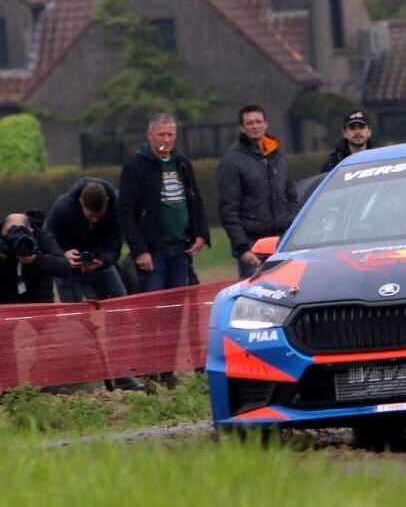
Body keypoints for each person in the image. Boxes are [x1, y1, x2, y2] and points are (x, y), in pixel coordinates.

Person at [117, 112, 210, 388]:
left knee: (174, 314)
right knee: (151, 313)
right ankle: (149, 371)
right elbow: (126, 212)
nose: (166, 140)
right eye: (161, 134)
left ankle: (168, 371)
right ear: (150, 136)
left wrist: (201, 233)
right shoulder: (135, 165)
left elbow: (195, 200)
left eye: (170, 135)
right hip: (153, 252)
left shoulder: (181, 163)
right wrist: (139, 250)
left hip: (180, 250)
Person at [45, 178, 144, 391]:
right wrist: (63, 255)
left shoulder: (115, 209)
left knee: (121, 313)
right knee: (75, 322)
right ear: (81, 203)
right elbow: (48, 239)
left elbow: (116, 246)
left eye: (99, 216)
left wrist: (102, 261)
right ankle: (83, 381)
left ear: (107, 202)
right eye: (91, 216)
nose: (95, 220)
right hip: (68, 270)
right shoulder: (62, 208)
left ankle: (123, 376)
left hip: (101, 266)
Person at [218, 104, 300, 278]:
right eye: (250, 123)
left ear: (266, 124)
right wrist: (242, 248)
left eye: (258, 121)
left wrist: (290, 225)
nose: (255, 126)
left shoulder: (277, 155)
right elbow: (228, 210)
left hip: (281, 242)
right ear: (242, 127)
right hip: (252, 245)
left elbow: (292, 196)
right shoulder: (232, 161)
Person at [0, 211, 71, 304]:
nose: (16, 236)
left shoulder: (41, 237)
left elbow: (64, 267)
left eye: (21, 231)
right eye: (11, 232)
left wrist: (35, 259)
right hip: (6, 301)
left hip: (39, 301)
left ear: (30, 230)